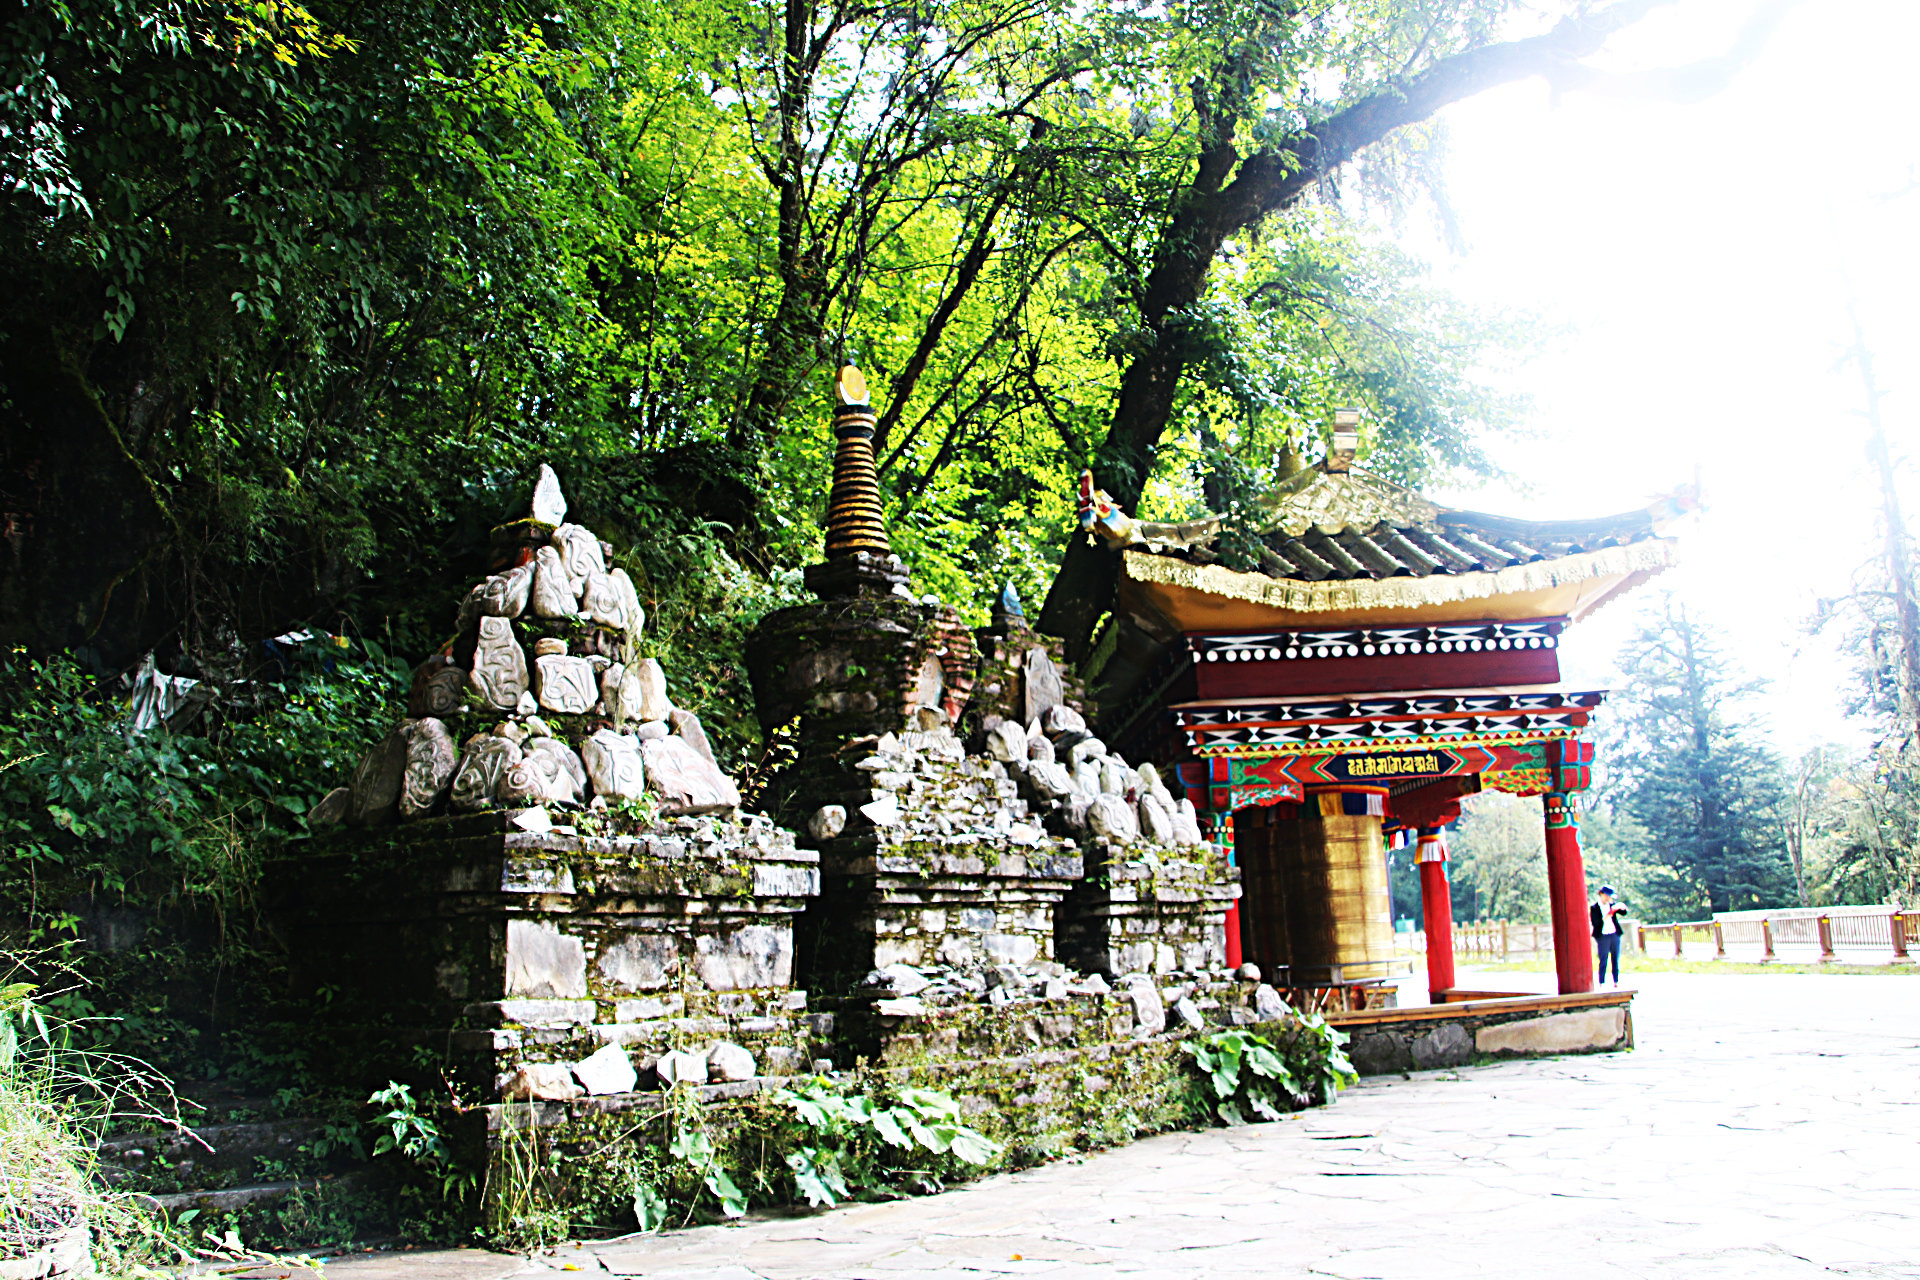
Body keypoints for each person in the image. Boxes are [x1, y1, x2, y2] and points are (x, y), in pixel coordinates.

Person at [1591, 885, 1627, 985]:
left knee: (1615, 958)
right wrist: (1607, 916)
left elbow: (1623, 912)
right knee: (1603, 959)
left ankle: (1616, 981)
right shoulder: (1594, 908)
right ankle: (1601, 981)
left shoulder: (1612, 905)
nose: (1608, 898)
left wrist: (1622, 907)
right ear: (1601, 894)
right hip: (1603, 935)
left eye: (1609, 896)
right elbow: (1595, 923)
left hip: (1614, 934)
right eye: (1606, 896)